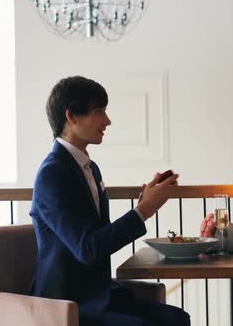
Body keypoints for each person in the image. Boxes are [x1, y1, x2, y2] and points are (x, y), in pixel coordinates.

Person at [29, 76, 191, 326]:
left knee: (177, 319)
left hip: (100, 293)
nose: (107, 121)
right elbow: (88, 249)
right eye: (99, 111)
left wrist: (144, 202)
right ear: (72, 117)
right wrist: (144, 209)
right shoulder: (53, 174)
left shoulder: (90, 168)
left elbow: (98, 235)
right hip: (70, 304)